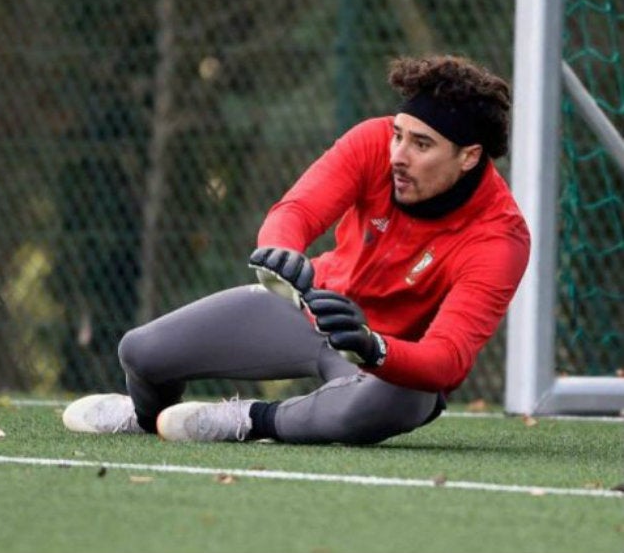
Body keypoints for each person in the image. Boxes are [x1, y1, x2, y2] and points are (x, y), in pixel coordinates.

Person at [61, 55, 530, 444]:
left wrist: (372, 347)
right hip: (312, 309)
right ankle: (144, 418)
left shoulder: (500, 237)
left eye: (421, 144)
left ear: (469, 156)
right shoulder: (373, 140)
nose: (398, 155)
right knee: (141, 351)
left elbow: (447, 359)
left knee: (380, 405)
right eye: (399, 134)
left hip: (390, 365)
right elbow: (296, 210)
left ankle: (247, 421)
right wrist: (281, 252)